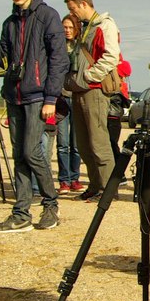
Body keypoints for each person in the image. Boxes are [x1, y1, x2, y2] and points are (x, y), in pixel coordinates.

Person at [0, 0, 68, 232]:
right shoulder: (9, 23)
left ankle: (51, 205)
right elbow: (4, 60)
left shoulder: (47, 16)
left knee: (31, 151)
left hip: (39, 95)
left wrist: (51, 98)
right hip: (14, 94)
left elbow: (59, 60)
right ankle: (21, 213)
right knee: (19, 155)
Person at [64, 0, 121, 200]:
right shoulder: (87, 27)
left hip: (95, 91)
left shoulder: (105, 25)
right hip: (80, 90)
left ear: (83, 4)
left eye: (73, 9)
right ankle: (96, 185)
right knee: (84, 143)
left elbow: (111, 56)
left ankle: (108, 189)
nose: (72, 13)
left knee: (99, 142)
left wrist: (89, 76)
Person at [56, 15, 83, 192]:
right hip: (61, 98)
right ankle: (64, 180)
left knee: (76, 143)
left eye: (70, 27)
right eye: (64, 27)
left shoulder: (81, 47)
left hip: (77, 97)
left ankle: (75, 178)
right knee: (62, 143)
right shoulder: (57, 47)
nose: (67, 30)